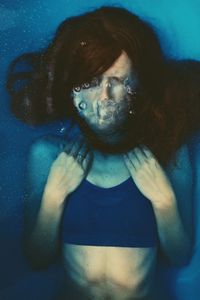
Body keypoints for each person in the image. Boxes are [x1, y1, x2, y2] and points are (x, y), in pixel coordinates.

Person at [7, 6, 197, 300]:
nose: (103, 99)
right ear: (71, 88)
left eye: (117, 82)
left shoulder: (170, 152)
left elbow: (179, 256)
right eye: (90, 83)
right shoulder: (46, 154)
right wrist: (54, 196)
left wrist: (164, 200)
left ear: (138, 87)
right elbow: (37, 259)